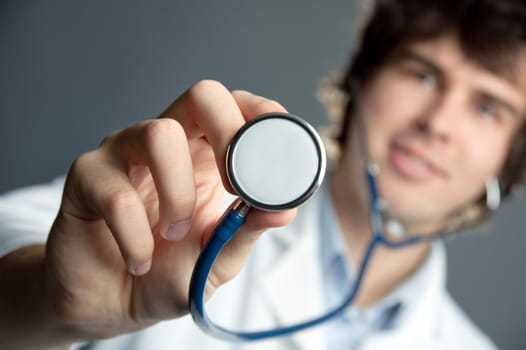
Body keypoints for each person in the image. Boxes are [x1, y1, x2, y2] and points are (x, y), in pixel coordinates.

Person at [1, 0, 525, 348]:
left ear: (509, 165)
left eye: (488, 109)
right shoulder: (172, 201)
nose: (437, 124)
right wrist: (49, 301)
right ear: (359, 85)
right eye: (422, 74)